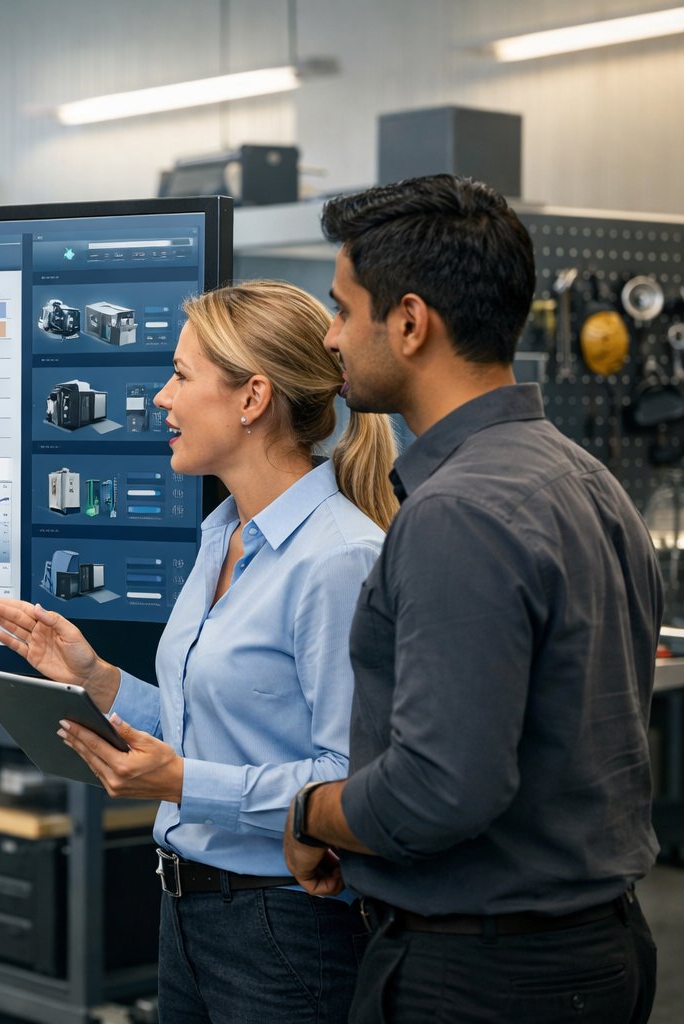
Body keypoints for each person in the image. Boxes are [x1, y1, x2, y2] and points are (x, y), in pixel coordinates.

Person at [281, 174, 660, 1023]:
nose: (331, 337)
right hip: (591, 948)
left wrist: (312, 814)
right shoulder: (586, 480)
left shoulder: (458, 513)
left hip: (482, 976)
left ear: (410, 323)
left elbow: (438, 789)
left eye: (342, 309)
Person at [0, 279, 398, 1022]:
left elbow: (351, 784)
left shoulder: (339, 560)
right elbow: (212, 726)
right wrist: (99, 680)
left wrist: (180, 782)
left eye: (181, 375)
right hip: (188, 913)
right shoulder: (224, 537)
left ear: (252, 398)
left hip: (287, 926)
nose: (161, 398)